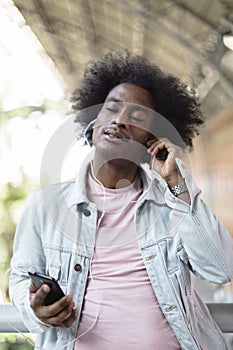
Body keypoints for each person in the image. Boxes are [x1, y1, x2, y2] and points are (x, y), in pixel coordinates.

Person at [9, 51, 233, 350]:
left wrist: (177, 185)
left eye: (137, 117)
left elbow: (220, 270)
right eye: (111, 108)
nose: (120, 120)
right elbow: (22, 278)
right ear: (93, 120)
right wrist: (36, 310)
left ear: (151, 140)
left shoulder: (170, 204)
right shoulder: (45, 205)